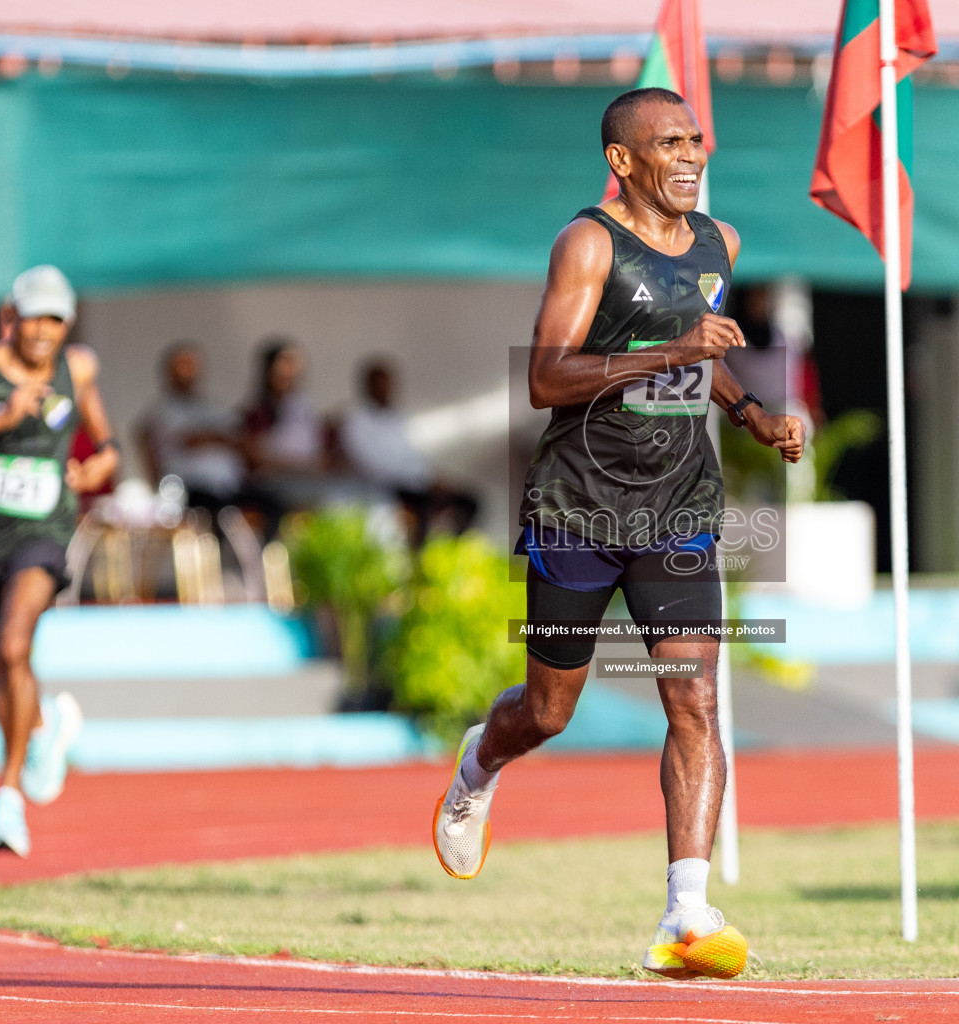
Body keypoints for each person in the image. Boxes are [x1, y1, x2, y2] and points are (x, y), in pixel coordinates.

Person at [431, 88, 804, 980]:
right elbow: (548, 379)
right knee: (548, 712)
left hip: (677, 509)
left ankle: (686, 911)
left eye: (696, 141)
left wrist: (749, 409)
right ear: (622, 162)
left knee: (695, 701)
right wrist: (670, 352)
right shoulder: (588, 242)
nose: (690, 157)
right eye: (668, 144)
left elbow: (703, 351)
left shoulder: (722, 243)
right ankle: (480, 763)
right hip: (580, 508)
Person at [0, 264, 120, 857]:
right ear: (10, 317)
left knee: (15, 646)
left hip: (43, 533)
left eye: (56, 318)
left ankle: (7, 798)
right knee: (0, 672)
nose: (45, 330)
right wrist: (1, 417)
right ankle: (44, 730)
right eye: (35, 317)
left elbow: (106, 441)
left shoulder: (78, 368)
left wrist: (102, 463)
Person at [338, 357, 478, 545]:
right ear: (368, 386)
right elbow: (372, 464)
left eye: (389, 384)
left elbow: (412, 456)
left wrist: (432, 478)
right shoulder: (356, 421)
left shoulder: (398, 419)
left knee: (469, 502)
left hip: (413, 481)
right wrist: (421, 480)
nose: (386, 389)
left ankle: (451, 552)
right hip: (383, 485)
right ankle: (419, 558)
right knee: (425, 504)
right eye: (381, 384)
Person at [138, 340, 257, 517]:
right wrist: (219, 438)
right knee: (219, 511)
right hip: (188, 489)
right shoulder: (162, 411)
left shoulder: (213, 407)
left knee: (269, 501)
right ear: (168, 371)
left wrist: (214, 438)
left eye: (192, 365)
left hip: (228, 486)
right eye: (182, 365)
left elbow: (242, 442)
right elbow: (189, 440)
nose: (188, 372)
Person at [240, 338, 331, 512]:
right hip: (271, 487)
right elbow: (254, 456)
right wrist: (298, 466)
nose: (289, 373)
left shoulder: (305, 409)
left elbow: (321, 456)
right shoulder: (257, 413)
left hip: (308, 482)